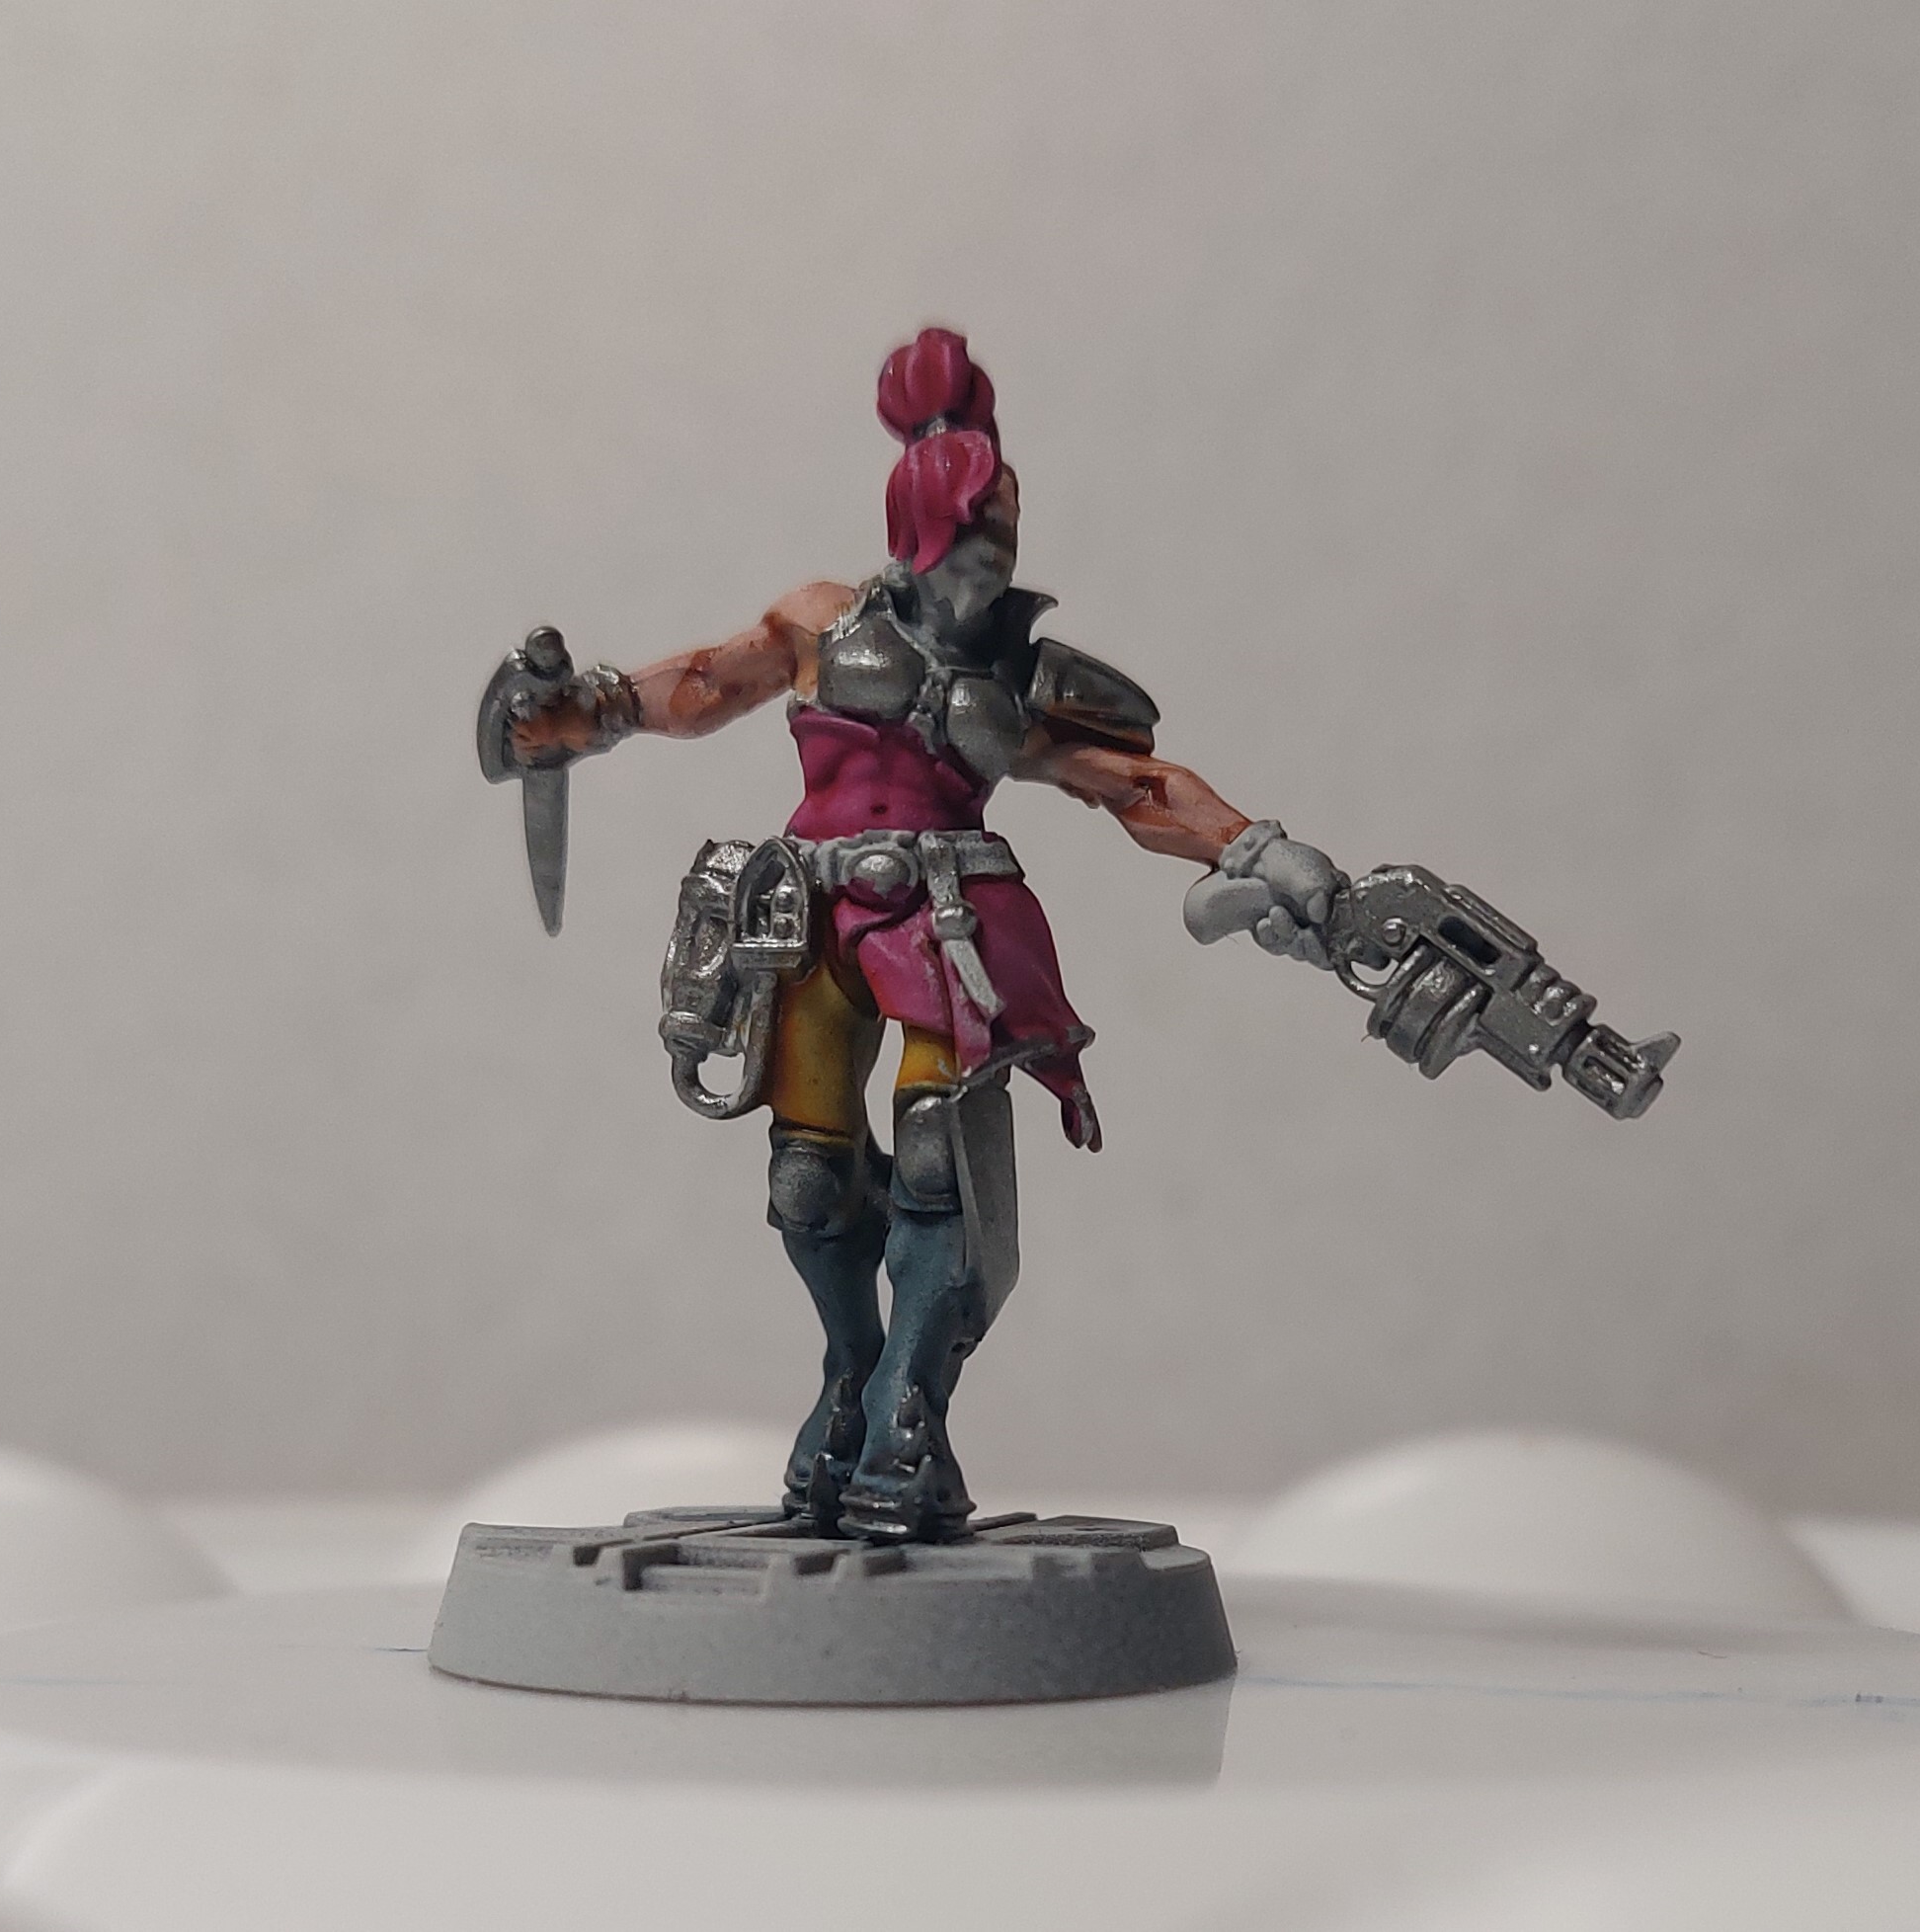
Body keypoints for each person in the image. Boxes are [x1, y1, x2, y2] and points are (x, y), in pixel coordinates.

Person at [507, 328, 1338, 1541]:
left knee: (942, 1168)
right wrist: (587, 713)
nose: (999, 541)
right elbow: (704, 683)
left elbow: (1136, 784)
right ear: (924, 518)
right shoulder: (824, 624)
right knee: (806, 1181)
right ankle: (852, 1373)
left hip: (946, 927)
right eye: (982, 518)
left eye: (1007, 520)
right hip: (807, 923)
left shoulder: (1021, 676)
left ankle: (909, 1404)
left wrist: (1257, 850)